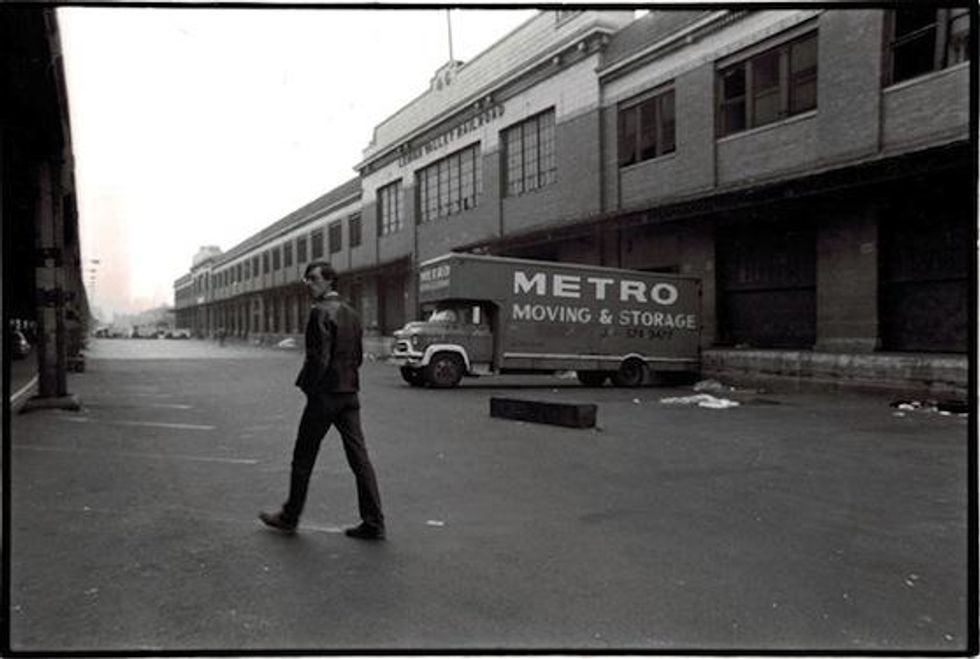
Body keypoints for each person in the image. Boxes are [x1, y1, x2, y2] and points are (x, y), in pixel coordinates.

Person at [259, 261, 385, 540]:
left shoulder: (319, 313)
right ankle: (374, 522)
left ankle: (290, 517)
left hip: (325, 395)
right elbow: (359, 356)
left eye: (313, 279)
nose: (309, 284)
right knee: (359, 459)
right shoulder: (352, 313)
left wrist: (309, 388)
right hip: (349, 394)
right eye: (307, 280)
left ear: (329, 281)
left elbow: (319, 359)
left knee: (303, 457)